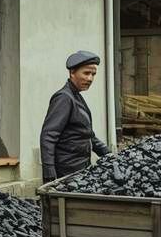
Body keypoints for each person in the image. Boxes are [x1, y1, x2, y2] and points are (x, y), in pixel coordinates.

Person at [39, 51, 112, 182]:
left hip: (81, 170)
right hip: (67, 173)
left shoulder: (76, 96)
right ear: (72, 72)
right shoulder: (64, 98)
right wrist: (48, 169)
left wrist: (109, 155)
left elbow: (88, 134)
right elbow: (48, 135)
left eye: (93, 74)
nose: (90, 79)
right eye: (86, 73)